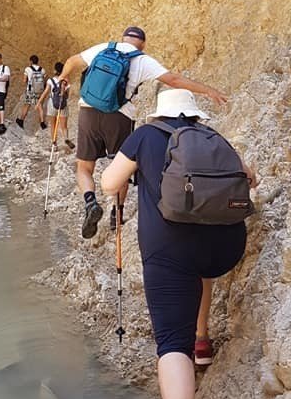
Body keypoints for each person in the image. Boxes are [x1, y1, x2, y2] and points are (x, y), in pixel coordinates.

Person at [101, 88, 255, 399]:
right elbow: (249, 177)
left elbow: (108, 182)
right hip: (226, 248)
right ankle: (202, 341)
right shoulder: (213, 137)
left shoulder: (145, 136)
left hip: (170, 254)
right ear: (194, 114)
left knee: (171, 344)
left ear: (160, 112)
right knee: (200, 265)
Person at [60, 26, 228, 239]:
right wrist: (209, 91)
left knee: (84, 167)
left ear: (123, 39)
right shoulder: (142, 60)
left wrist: (63, 78)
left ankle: (90, 201)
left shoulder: (104, 48)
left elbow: (72, 61)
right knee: (121, 166)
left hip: (88, 112)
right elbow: (174, 80)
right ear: (143, 44)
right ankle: (116, 214)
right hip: (119, 116)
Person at [36, 62, 74, 149]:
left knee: (53, 125)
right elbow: (67, 95)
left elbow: (45, 92)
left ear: (55, 70)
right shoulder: (66, 81)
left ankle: (54, 144)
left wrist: (39, 102)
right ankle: (66, 138)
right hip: (63, 104)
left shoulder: (50, 81)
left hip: (52, 104)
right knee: (64, 126)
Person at [15, 55, 48, 131]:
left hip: (30, 90)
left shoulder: (28, 69)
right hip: (39, 90)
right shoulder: (42, 70)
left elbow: (24, 80)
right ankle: (42, 123)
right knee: (39, 105)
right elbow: (45, 80)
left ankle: (21, 120)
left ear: (31, 61)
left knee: (27, 105)